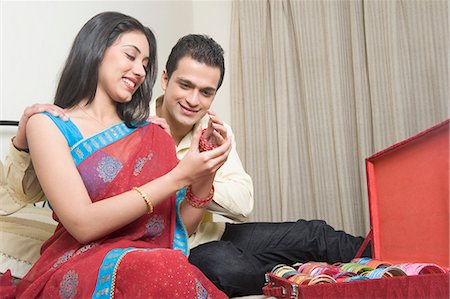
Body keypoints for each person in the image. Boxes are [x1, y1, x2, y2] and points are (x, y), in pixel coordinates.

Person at [5, 34, 370, 297]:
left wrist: (203, 173)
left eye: (206, 92)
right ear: (164, 79)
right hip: (179, 247)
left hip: (208, 229)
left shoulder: (213, 132)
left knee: (313, 233)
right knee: (229, 268)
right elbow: (30, 192)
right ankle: (297, 280)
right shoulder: (131, 122)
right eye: (185, 85)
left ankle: (399, 262)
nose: (194, 100)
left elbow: (242, 203)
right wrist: (22, 142)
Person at [13, 12, 230, 298]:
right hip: (80, 263)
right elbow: (82, 224)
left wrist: (207, 167)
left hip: (149, 263)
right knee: (163, 267)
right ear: (95, 50)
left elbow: (180, 226)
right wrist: (180, 176)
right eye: (131, 56)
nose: (140, 71)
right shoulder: (49, 124)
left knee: (166, 265)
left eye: (145, 63)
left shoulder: (151, 132)